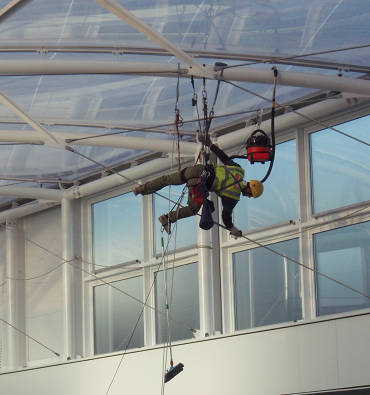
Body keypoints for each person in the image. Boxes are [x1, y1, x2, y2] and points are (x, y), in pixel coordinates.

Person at [133, 140, 264, 237]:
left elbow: (223, 157)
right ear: (249, 191)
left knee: (166, 179)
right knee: (192, 209)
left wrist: (210, 144)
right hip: (198, 183)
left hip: (197, 170)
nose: (249, 196)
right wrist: (232, 228)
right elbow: (225, 216)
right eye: (251, 195)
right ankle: (167, 218)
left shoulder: (239, 170)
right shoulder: (233, 196)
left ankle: (140, 189)